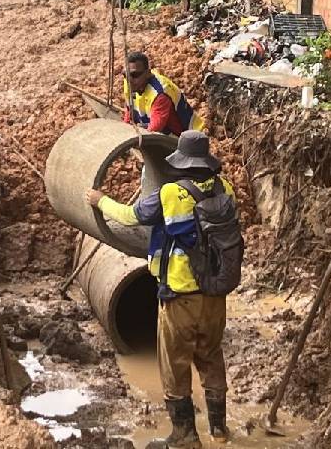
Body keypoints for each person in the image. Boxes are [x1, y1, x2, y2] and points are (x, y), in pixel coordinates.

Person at [86, 131, 234, 448]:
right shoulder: (226, 190)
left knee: (175, 364)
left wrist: (101, 201)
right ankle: (219, 431)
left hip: (179, 297)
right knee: (211, 358)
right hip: (216, 293)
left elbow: (131, 216)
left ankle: (184, 436)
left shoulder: (170, 194)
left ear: (182, 163)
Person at [122, 52, 205, 135]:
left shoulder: (159, 94)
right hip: (156, 125)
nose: (130, 80)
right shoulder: (130, 83)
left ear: (148, 73)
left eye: (135, 75)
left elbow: (153, 131)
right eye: (126, 75)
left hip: (185, 136)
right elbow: (129, 114)